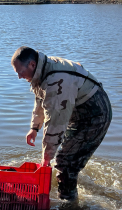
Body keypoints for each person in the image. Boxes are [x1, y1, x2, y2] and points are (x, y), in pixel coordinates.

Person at [11, 46, 112, 200]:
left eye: (20, 71)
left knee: (65, 163)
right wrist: (34, 128)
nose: (19, 76)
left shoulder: (56, 80)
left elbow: (56, 122)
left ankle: (69, 208)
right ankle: (70, 190)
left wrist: (47, 156)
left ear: (32, 64)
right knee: (66, 157)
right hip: (78, 113)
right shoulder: (42, 70)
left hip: (95, 116)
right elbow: (41, 100)